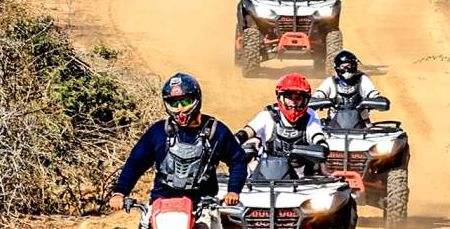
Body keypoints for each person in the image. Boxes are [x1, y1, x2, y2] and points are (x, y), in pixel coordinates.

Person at [109, 72, 247, 214]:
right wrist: (119, 192)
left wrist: (233, 191)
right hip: (161, 205)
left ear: (197, 98)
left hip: (203, 208)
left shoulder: (216, 130)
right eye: (174, 103)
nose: (180, 108)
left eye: (186, 102)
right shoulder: (158, 131)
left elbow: (238, 160)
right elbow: (135, 163)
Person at [235, 73, 328, 171]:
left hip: (300, 174)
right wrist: (236, 140)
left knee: (318, 169)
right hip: (265, 170)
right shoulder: (268, 115)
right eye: (289, 97)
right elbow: (249, 131)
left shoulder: (310, 115)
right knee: (241, 172)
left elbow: (317, 136)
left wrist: (322, 146)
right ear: (281, 98)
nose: (293, 102)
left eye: (298, 98)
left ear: (305, 100)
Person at [315, 49, 383, 121]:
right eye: (343, 66)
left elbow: (372, 94)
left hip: (362, 124)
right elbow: (318, 95)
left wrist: (377, 100)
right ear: (337, 67)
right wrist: (316, 100)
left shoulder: (363, 80)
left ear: (354, 66)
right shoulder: (330, 82)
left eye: (349, 66)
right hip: (332, 125)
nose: (346, 69)